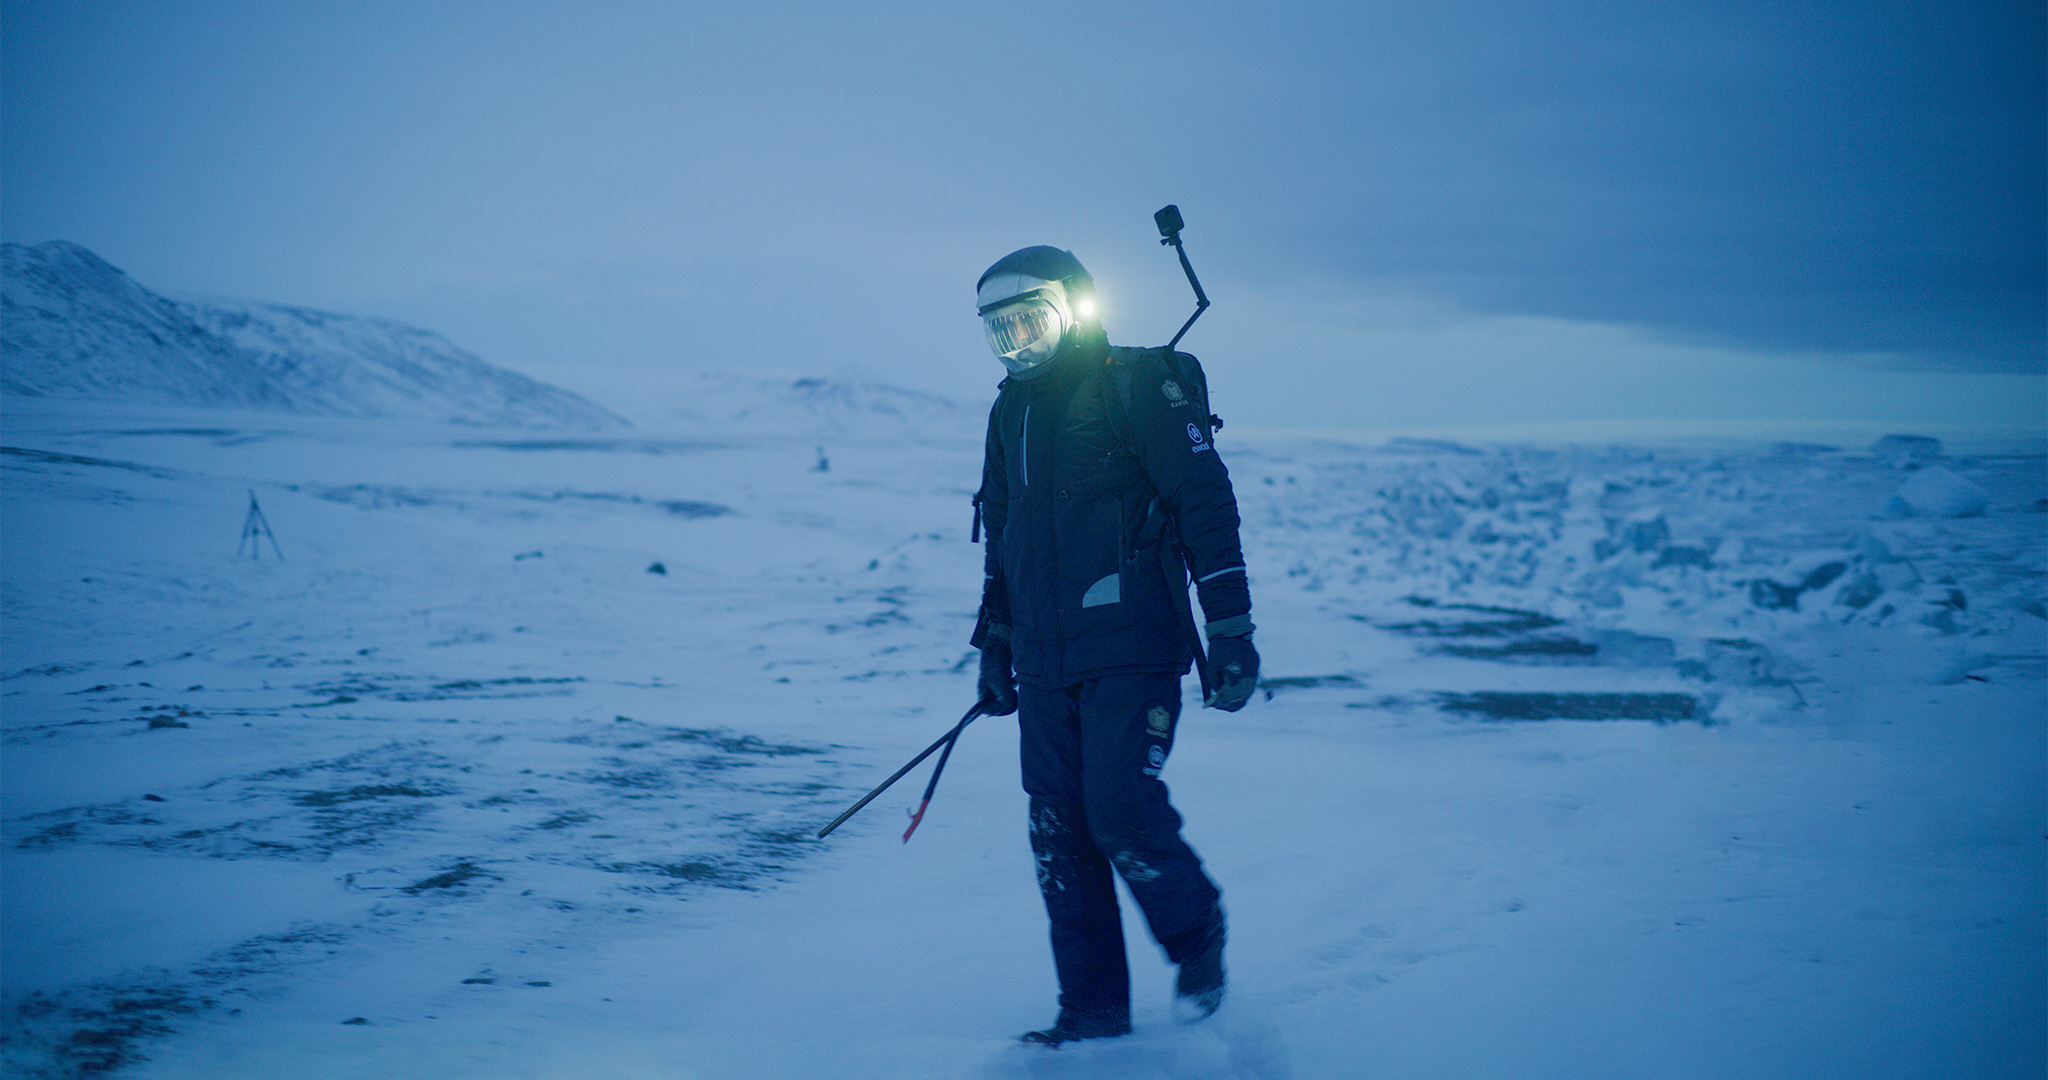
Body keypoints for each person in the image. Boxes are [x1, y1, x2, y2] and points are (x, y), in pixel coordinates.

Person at [968, 245, 1261, 1045]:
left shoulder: (1138, 385)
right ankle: (1092, 1011)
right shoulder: (1010, 412)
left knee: (1118, 807)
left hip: (1132, 644)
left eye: (1032, 322)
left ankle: (1196, 933)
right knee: (1057, 828)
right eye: (1003, 332)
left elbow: (1205, 503)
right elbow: (1005, 537)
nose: (1020, 343)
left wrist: (1231, 628)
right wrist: (994, 645)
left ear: (1075, 310)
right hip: (1043, 655)